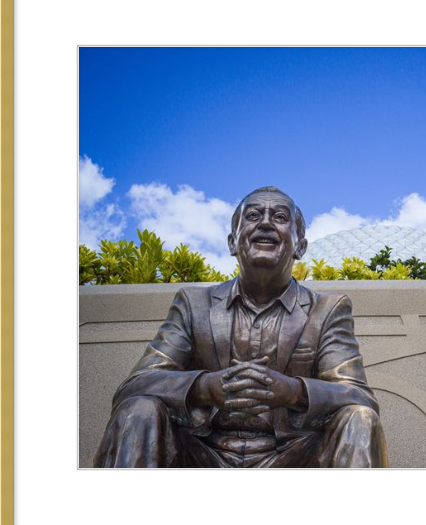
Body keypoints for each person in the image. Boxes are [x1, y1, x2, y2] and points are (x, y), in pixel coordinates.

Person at [94, 186, 388, 468]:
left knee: (359, 417)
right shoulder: (194, 303)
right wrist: (204, 387)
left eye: (280, 217)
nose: (265, 224)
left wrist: (293, 392)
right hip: (201, 456)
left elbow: (358, 395)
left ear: (300, 246)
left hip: (293, 458)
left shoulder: (327, 310)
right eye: (253, 216)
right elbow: (136, 385)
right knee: (139, 408)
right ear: (232, 242)